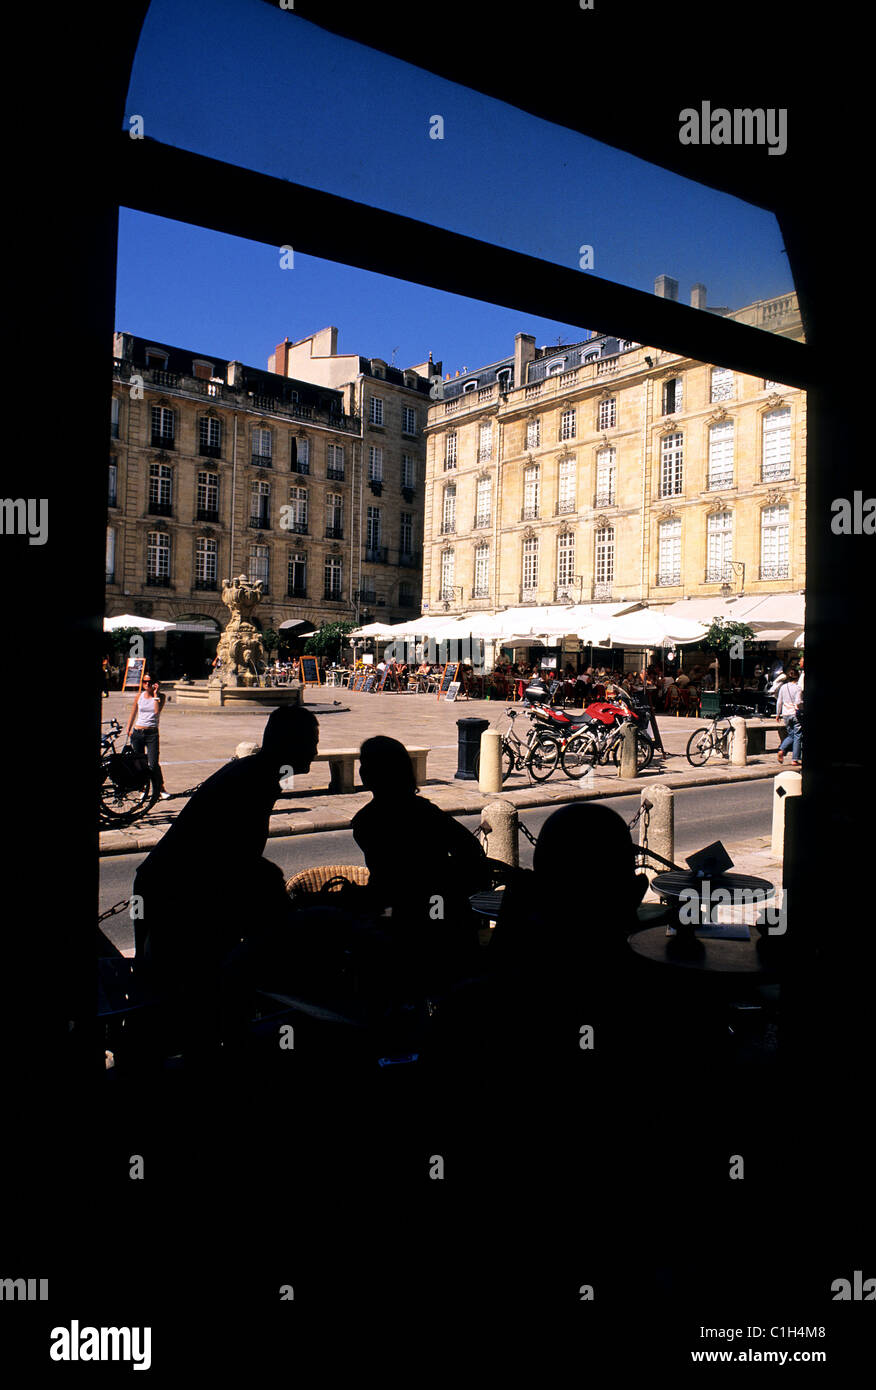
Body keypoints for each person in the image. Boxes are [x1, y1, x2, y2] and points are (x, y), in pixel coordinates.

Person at [133, 705, 321, 1063]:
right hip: (173, 895)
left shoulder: (259, 773)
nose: (314, 750)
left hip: (175, 888)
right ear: (290, 743)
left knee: (179, 993)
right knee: (176, 995)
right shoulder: (256, 779)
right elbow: (235, 858)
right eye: (310, 742)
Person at [351, 736, 489, 995]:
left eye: (365, 765)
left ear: (369, 774)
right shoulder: (425, 811)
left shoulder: (367, 822)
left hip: (411, 929)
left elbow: (389, 883)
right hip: (449, 922)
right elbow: (470, 853)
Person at [125, 673, 169, 800]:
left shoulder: (161, 697)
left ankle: (160, 788)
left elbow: (156, 712)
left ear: (155, 683)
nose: (147, 684)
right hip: (138, 733)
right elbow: (133, 713)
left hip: (152, 734)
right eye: (144, 682)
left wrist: (155, 695)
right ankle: (143, 788)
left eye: (150, 682)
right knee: (139, 763)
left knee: (153, 763)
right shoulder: (139, 696)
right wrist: (128, 728)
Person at [775, 668, 802, 765]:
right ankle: (795, 759)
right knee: (798, 735)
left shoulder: (783, 687)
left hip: (785, 714)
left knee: (791, 735)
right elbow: (798, 702)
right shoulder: (798, 688)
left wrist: (778, 714)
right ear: (797, 677)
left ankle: (781, 750)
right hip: (794, 713)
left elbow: (779, 702)